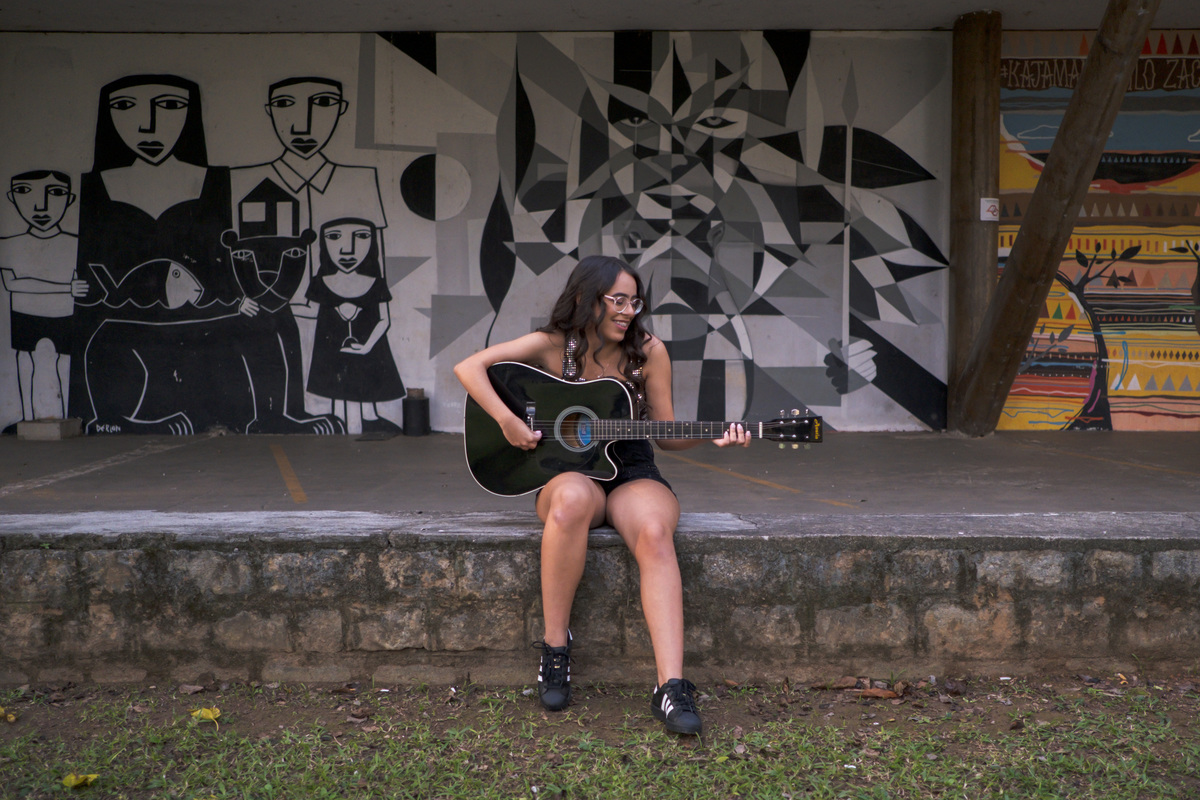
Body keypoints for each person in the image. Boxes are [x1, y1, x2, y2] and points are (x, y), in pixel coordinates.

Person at [454, 254, 749, 736]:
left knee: (654, 531)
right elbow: (469, 367)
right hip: (568, 472)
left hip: (631, 466)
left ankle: (671, 687)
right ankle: (555, 650)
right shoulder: (552, 346)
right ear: (584, 299)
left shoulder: (648, 351)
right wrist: (508, 421)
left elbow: (666, 431)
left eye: (635, 301)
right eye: (617, 299)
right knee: (569, 502)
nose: (629, 310)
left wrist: (711, 433)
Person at [0, 170, 85, 430]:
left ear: (70, 199)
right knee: (25, 362)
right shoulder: (10, 243)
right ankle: (25, 417)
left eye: (55, 193)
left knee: (64, 363)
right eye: (25, 191)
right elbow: (12, 283)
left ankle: (68, 414)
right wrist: (66, 288)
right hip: (25, 312)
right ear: (11, 197)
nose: (41, 206)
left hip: (62, 315)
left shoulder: (75, 244)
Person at [305, 217, 405, 433]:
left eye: (361, 236)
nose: (347, 250)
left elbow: (384, 319)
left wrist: (367, 346)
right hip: (332, 351)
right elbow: (309, 311)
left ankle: (367, 419)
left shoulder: (375, 282)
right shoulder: (321, 282)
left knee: (363, 384)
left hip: (367, 350)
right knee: (339, 392)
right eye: (334, 237)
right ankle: (345, 424)